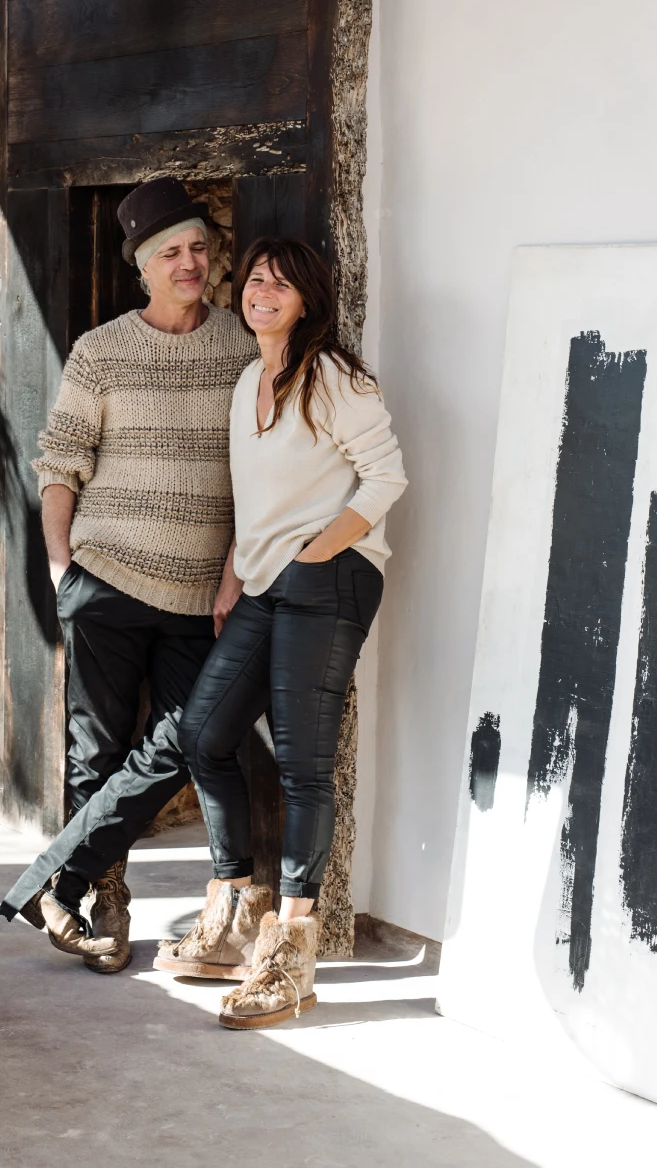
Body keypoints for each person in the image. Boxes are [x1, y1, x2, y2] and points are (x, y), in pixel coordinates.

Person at [0, 176, 256, 974]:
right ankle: (106, 900)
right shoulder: (101, 351)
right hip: (106, 580)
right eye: (170, 252)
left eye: (198, 248)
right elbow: (60, 464)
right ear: (141, 266)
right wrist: (60, 570)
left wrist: (234, 574)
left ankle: (57, 880)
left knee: (188, 740)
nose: (189, 264)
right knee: (97, 753)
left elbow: (260, 471)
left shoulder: (243, 348)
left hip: (199, 595)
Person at [154, 236, 407, 1028]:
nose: (263, 292)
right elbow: (254, 494)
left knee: (303, 765)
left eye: (282, 284)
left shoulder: (331, 376)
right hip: (266, 581)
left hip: (330, 578)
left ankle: (291, 956)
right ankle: (234, 910)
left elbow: (387, 476)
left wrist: (318, 550)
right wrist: (237, 572)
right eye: (257, 279)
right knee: (203, 734)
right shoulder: (248, 382)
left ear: (306, 301)